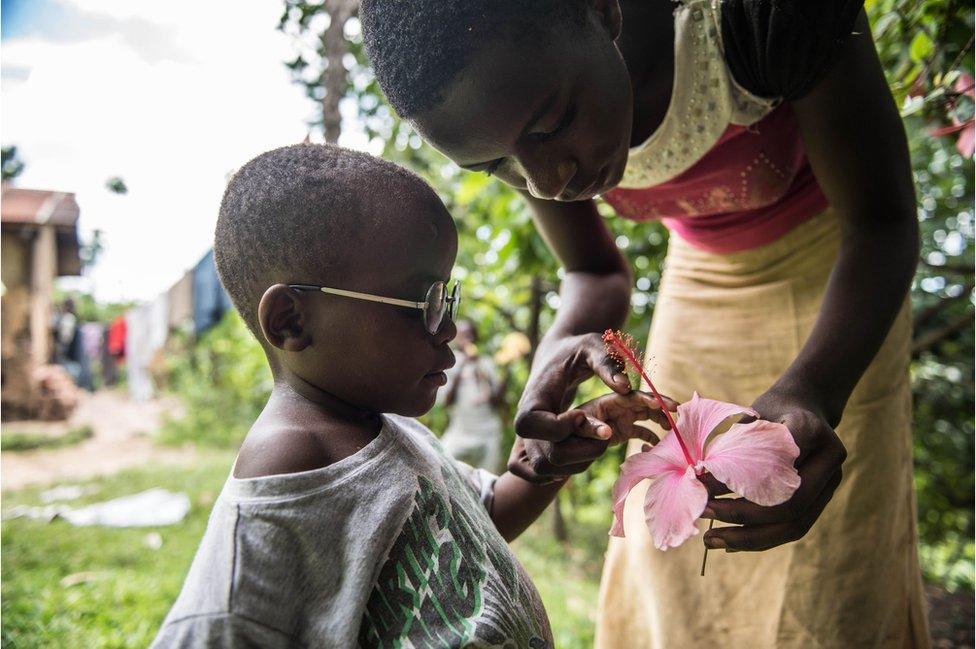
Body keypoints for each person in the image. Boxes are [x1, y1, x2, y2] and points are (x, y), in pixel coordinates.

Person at [359, 1, 928, 647]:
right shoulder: (512, 107)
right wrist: (552, 372)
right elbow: (595, 272)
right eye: (496, 168)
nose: (548, 182)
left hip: (841, 273)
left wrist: (815, 390)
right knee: (672, 545)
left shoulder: (758, 14)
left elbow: (881, 222)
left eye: (553, 126)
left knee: (830, 550)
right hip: (702, 273)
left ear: (602, 12)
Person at [151, 143, 672, 648]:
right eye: (423, 300)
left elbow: (486, 519)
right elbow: (214, 627)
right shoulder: (292, 465)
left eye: (447, 298)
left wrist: (546, 466)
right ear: (291, 322)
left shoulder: (394, 431)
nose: (446, 327)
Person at [440, 320, 508, 471]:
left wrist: (505, 372)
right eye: (463, 335)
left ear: (476, 338)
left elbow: (496, 401)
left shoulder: (487, 363)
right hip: (460, 432)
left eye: (470, 335)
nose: (467, 339)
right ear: (456, 338)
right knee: (441, 464)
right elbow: (446, 402)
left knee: (489, 476)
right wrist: (463, 365)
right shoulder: (450, 363)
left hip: (488, 433)